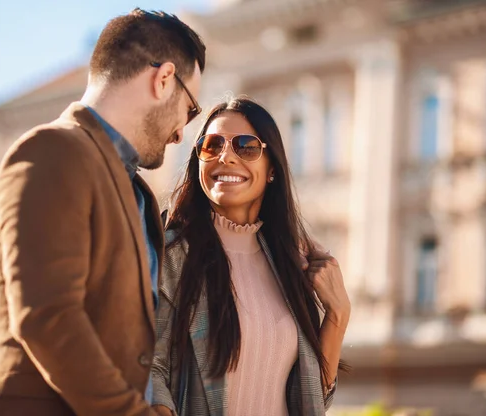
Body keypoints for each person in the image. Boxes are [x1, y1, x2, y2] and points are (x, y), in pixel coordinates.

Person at [0, 9, 205, 416]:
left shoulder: (134, 190)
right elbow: (48, 317)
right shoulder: (51, 150)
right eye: (190, 109)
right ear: (163, 80)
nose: (182, 132)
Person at [150, 97, 350, 416]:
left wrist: (337, 314)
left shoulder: (288, 265)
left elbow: (311, 398)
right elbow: (149, 371)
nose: (226, 156)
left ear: (272, 169)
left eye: (245, 146)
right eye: (211, 146)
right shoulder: (169, 254)